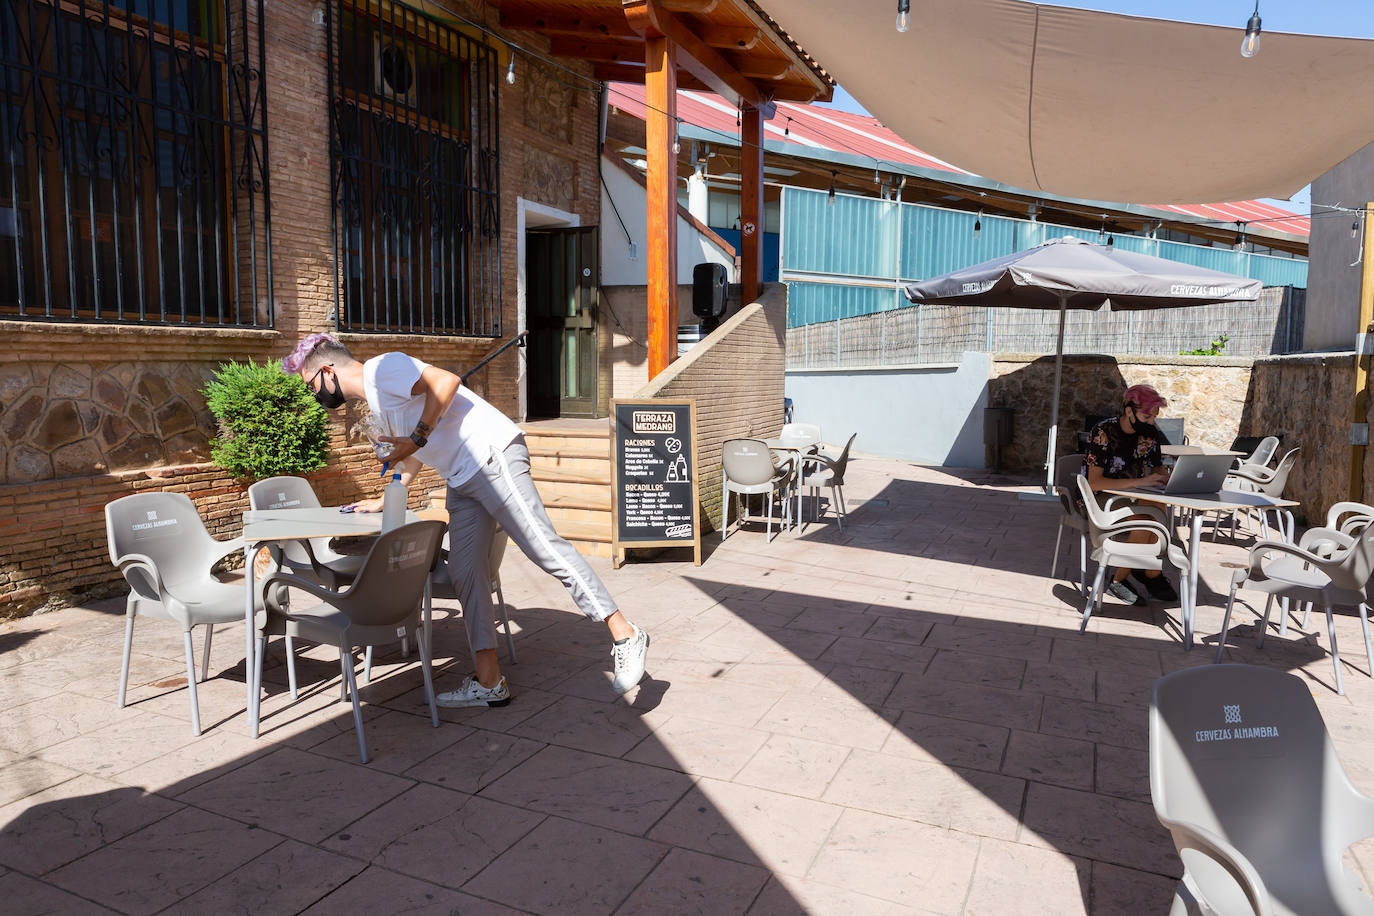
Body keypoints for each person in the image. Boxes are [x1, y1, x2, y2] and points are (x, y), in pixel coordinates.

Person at [281, 334, 649, 705]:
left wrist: (416, 439)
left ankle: (625, 633)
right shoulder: (378, 397)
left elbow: (446, 382)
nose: (316, 396)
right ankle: (490, 683)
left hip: (490, 455)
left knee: (542, 546)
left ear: (327, 371)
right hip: (462, 475)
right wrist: (386, 496)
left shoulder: (382, 369)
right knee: (465, 571)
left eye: (311, 386)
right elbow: (411, 456)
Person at [1082, 383, 1180, 607]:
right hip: (1098, 498)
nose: (1151, 422)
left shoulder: (1149, 434)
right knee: (1145, 518)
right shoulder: (1103, 432)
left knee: (1157, 509)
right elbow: (1094, 483)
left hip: (1130, 494)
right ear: (1129, 411)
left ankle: (1147, 573)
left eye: (1154, 417)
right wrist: (1141, 481)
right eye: (1147, 417)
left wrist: (1166, 477)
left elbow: (1156, 468)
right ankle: (1120, 578)